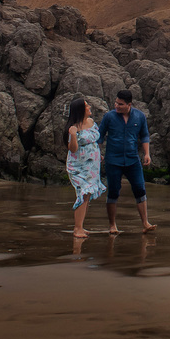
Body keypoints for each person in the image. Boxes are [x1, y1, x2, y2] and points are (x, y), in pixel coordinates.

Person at [97, 90, 157, 234]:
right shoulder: (109, 117)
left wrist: (147, 154)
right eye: (116, 103)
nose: (116, 106)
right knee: (113, 191)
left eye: (120, 104)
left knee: (140, 189)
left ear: (129, 104)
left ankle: (145, 223)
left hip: (132, 160)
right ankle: (112, 225)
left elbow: (144, 136)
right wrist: (98, 153)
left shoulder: (140, 116)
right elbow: (99, 137)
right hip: (113, 160)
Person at [64, 97, 106, 238]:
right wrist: (73, 135)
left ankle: (81, 226)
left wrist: (98, 154)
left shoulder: (91, 122)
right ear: (81, 110)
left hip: (92, 167)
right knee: (82, 194)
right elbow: (73, 149)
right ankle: (77, 229)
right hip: (79, 167)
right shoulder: (74, 127)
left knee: (87, 196)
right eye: (87, 106)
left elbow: (94, 140)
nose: (89, 108)